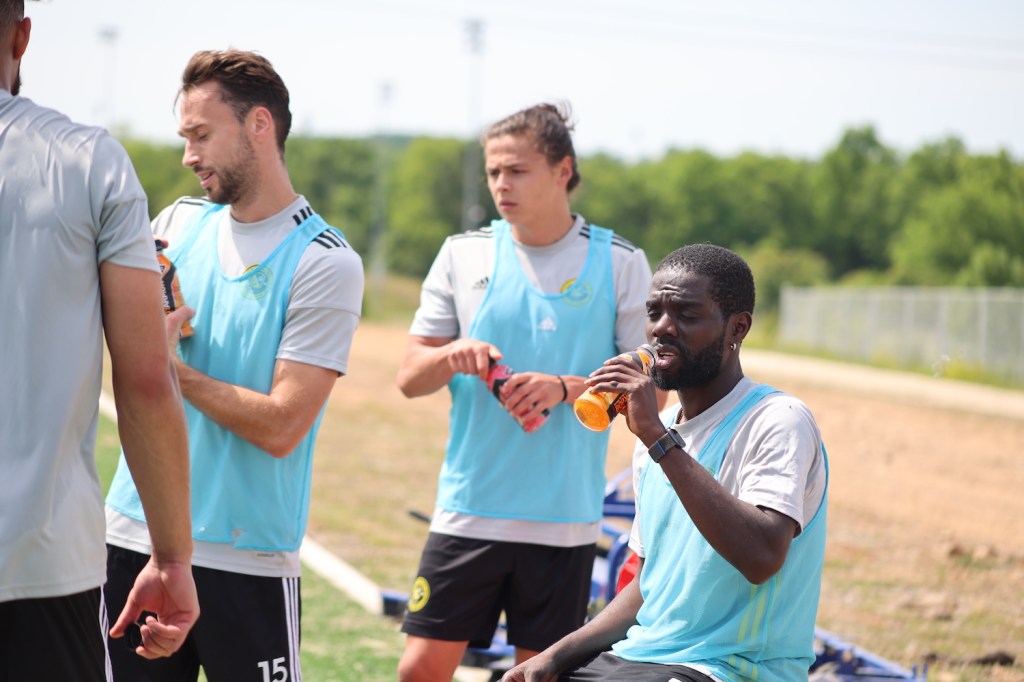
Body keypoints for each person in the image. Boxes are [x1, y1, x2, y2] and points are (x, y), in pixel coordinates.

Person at [103, 49, 364, 681]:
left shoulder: (325, 260)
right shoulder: (176, 224)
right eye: (184, 136)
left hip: (246, 559)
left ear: (259, 126)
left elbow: (281, 425)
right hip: (134, 535)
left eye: (200, 135)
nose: (188, 155)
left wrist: (168, 370)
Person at [395, 102, 657, 681]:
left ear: (563, 170)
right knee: (417, 671)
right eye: (493, 172)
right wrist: (450, 355)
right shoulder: (463, 254)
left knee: (536, 676)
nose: (500, 185)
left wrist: (566, 388)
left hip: (564, 518)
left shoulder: (619, 262)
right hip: (468, 510)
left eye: (516, 170)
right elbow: (411, 376)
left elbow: (653, 394)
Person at [500, 243, 829, 682]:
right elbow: (649, 583)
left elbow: (761, 556)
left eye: (687, 315)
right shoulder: (660, 430)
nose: (662, 329)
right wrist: (554, 656)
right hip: (643, 656)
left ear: (738, 328)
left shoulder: (777, 420)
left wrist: (658, 438)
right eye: (653, 312)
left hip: (733, 668)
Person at [0, 1, 199, 680]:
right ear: (22, 36)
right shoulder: (88, 160)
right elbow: (146, 380)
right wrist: (171, 558)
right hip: (41, 564)